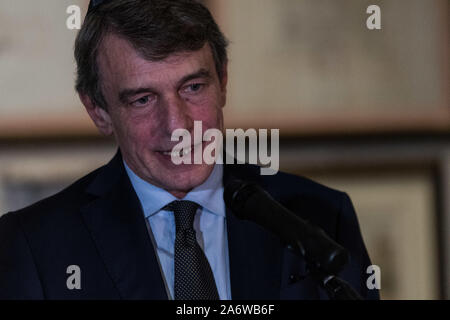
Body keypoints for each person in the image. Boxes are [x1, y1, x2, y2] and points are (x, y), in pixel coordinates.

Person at [0, 0, 378, 300]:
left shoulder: (323, 216)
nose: (178, 125)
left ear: (223, 80)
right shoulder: (34, 246)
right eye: (144, 99)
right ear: (98, 111)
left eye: (193, 88)